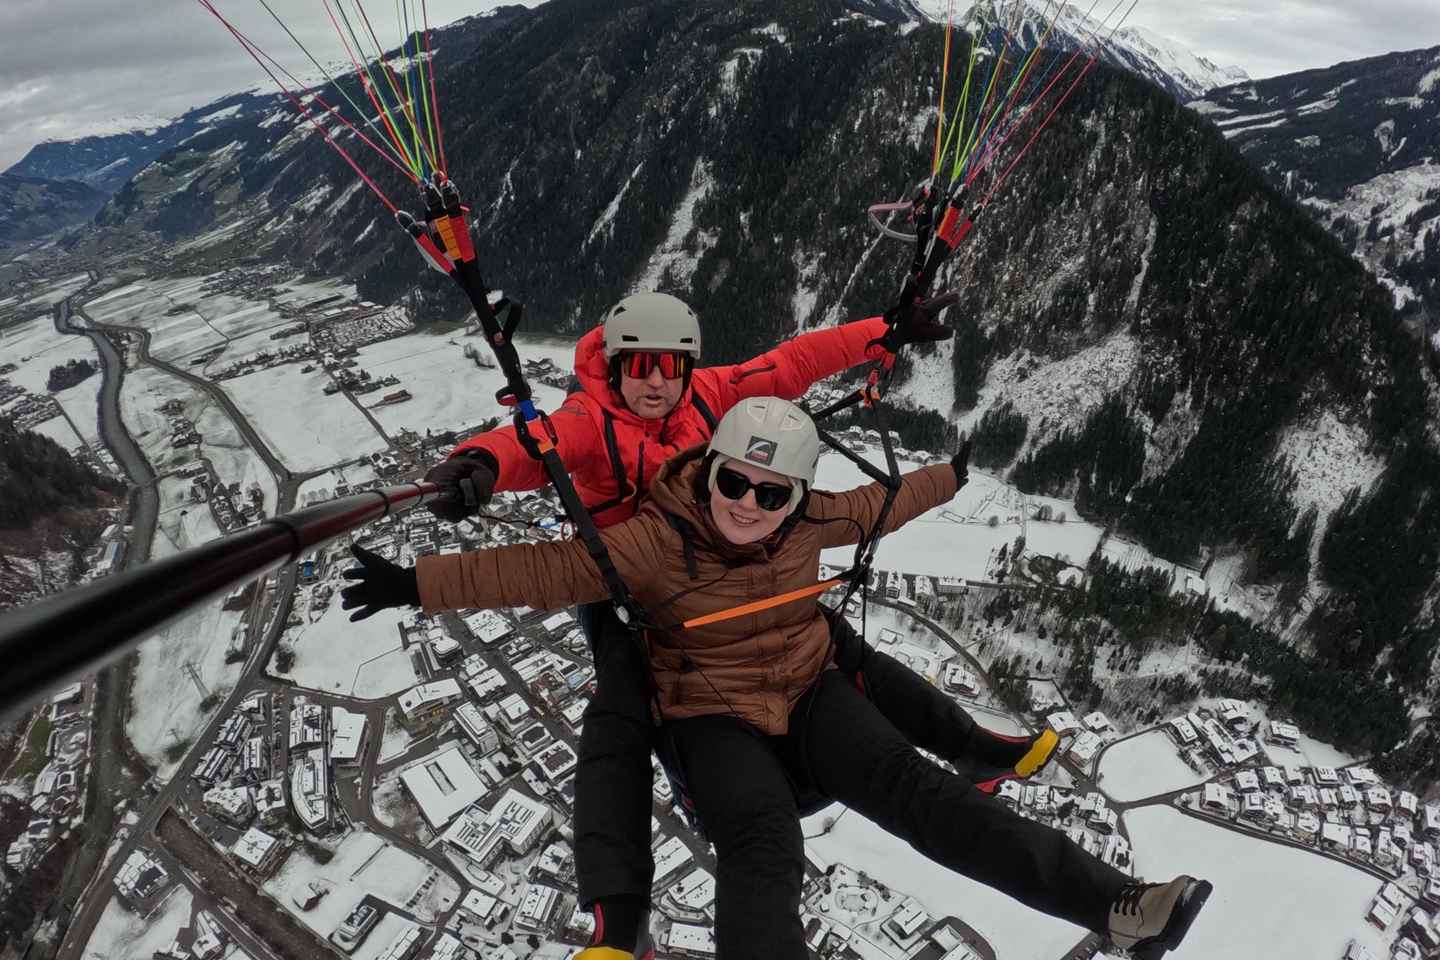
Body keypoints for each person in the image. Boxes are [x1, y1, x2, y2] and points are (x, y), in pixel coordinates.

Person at [344, 397, 1213, 960]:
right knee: (763, 848)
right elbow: (541, 572)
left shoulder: (808, 523)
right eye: (736, 483)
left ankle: (1118, 904)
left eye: (773, 494)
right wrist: (413, 586)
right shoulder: (655, 537)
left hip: (807, 688)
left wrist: (953, 477)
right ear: (710, 469)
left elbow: (880, 505)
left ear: (796, 498)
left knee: (920, 791)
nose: (750, 505)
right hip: (707, 711)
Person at [418, 293, 1061, 957]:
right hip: (627, 591)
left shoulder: (711, 393)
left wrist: (882, 331)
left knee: (846, 652)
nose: (656, 380)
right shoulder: (588, 420)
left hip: (725, 576)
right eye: (638, 365)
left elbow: (790, 365)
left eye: (671, 364)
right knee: (620, 714)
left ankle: (973, 748)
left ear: (688, 366)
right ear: (614, 368)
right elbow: (529, 447)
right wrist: (479, 465)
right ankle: (618, 922)